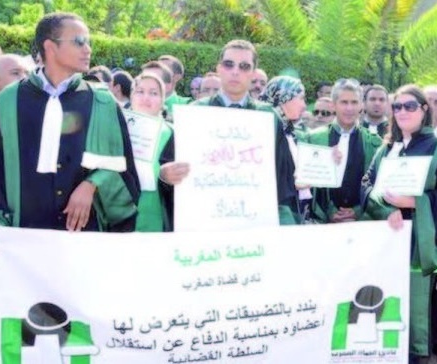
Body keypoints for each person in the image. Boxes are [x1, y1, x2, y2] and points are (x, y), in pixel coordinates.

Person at [0, 12, 140, 250]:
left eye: (88, 42)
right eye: (79, 41)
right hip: (20, 236)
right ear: (50, 47)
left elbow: (122, 166)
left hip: (82, 237)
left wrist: (92, 184)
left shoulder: (103, 104)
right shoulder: (7, 103)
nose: (87, 49)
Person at [362, 84, 437, 362]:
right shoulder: (387, 149)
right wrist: (384, 210)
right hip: (386, 243)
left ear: (424, 110)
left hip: (419, 244)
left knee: (414, 319)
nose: (402, 111)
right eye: (397, 106)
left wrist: (415, 203)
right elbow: (367, 185)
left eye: (410, 106)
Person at [188, 39, 299, 224]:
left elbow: (282, 178)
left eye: (244, 66)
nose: (235, 71)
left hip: (256, 220)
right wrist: (166, 176)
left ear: (253, 73)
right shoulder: (195, 112)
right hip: (206, 218)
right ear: (219, 68)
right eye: (229, 64)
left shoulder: (269, 118)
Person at [307, 79, 381, 223]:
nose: (349, 108)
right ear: (334, 105)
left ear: (361, 105)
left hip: (362, 222)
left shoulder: (374, 142)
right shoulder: (314, 139)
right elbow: (309, 184)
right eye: (344, 102)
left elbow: (377, 185)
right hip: (323, 222)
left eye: (354, 102)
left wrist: (358, 211)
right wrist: (330, 211)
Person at [259, 75, 310, 221]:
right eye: (301, 98)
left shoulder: (293, 134)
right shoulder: (268, 131)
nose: (304, 105)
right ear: (284, 97)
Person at [129, 72, 174, 231]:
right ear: (131, 96)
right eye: (140, 91)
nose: (146, 98)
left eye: (154, 93)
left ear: (163, 101)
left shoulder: (172, 134)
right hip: (116, 217)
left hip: (155, 217)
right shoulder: (116, 127)